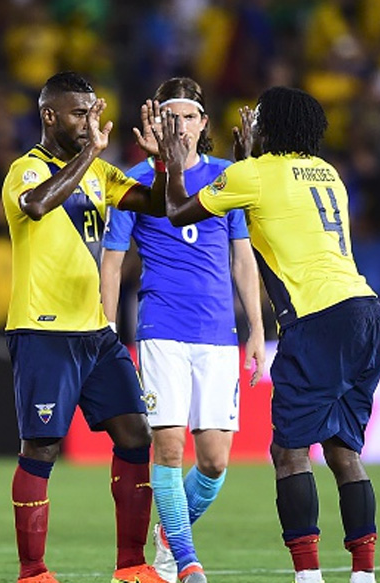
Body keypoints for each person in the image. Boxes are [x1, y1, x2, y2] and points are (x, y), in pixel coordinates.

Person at [155, 86, 380, 583]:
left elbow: (177, 211)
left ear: (274, 126)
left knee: (289, 452)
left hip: (317, 319)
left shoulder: (252, 175)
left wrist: (174, 164)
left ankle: (308, 577)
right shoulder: (328, 172)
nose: (252, 124)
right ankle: (364, 575)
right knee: (344, 451)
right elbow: (277, 214)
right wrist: (248, 165)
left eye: (259, 118)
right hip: (366, 314)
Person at [2, 71, 169, 583]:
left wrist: (161, 161)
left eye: (94, 111)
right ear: (49, 115)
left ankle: (131, 566)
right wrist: (90, 156)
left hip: (97, 332)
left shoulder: (99, 171)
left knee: (136, 435)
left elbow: (158, 204)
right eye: (79, 113)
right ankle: (33, 572)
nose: (89, 122)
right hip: (44, 329)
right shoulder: (24, 171)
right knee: (43, 447)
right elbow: (36, 205)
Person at [100, 77, 265, 583]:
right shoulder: (136, 181)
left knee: (214, 462)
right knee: (167, 448)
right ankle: (185, 562)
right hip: (161, 328)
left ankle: (168, 539)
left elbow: (243, 260)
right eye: (169, 117)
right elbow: (111, 263)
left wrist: (257, 327)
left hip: (217, 334)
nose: (180, 126)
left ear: (203, 124)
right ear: (155, 124)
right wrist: (106, 328)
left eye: (188, 116)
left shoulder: (226, 178)